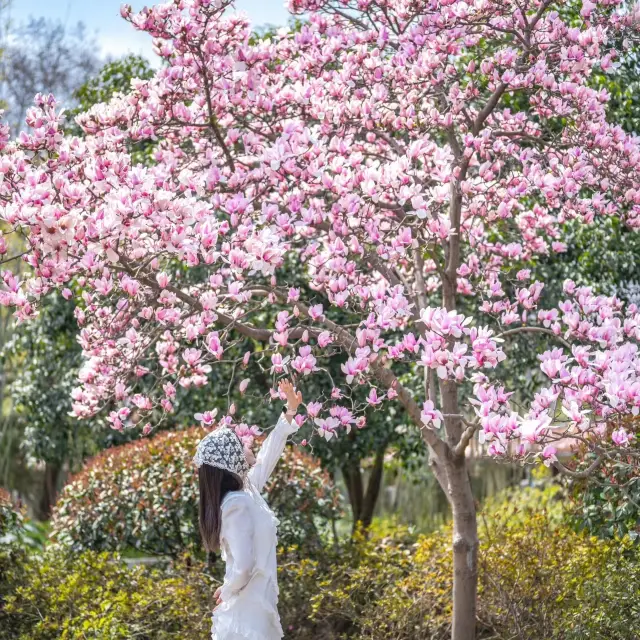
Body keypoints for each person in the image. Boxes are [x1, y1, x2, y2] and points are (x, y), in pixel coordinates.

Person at [193, 379, 303, 640]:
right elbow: (243, 566)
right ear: (229, 460)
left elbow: (269, 454)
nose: (248, 444)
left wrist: (290, 409)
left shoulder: (247, 492)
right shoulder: (235, 504)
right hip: (246, 616)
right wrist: (227, 589)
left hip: (256, 609)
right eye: (240, 445)